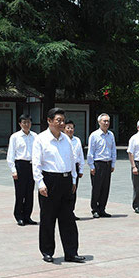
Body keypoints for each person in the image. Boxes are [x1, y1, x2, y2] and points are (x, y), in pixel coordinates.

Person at [32, 107, 86, 264]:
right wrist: (40, 183)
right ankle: (47, 251)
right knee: (48, 219)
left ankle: (71, 252)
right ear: (49, 121)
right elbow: (36, 163)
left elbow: (71, 160)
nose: (62, 123)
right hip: (49, 181)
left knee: (68, 219)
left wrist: (74, 180)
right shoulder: (41, 139)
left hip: (66, 181)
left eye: (63, 120)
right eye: (58, 120)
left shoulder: (67, 139)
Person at [6, 114, 37, 226]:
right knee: (20, 193)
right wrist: (13, 170)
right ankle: (19, 216)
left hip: (32, 166)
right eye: (24, 122)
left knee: (30, 193)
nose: (26, 124)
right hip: (20, 165)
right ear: (20, 124)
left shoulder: (35, 136)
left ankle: (27, 216)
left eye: (28, 122)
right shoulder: (15, 137)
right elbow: (11, 155)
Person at [87, 113, 116, 218]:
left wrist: (113, 163)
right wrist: (91, 166)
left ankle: (102, 209)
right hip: (98, 164)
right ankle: (94, 209)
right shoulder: (94, 135)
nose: (106, 123)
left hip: (108, 164)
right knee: (96, 188)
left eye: (108, 121)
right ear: (99, 122)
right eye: (104, 121)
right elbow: (90, 152)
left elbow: (113, 149)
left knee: (105, 188)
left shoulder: (111, 135)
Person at [63, 120, 85, 220]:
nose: (70, 130)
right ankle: (64, 212)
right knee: (65, 191)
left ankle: (71, 212)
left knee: (73, 190)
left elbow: (80, 155)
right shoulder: (62, 140)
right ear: (64, 129)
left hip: (75, 167)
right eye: (68, 128)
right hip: (64, 168)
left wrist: (81, 169)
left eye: (72, 128)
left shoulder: (77, 140)